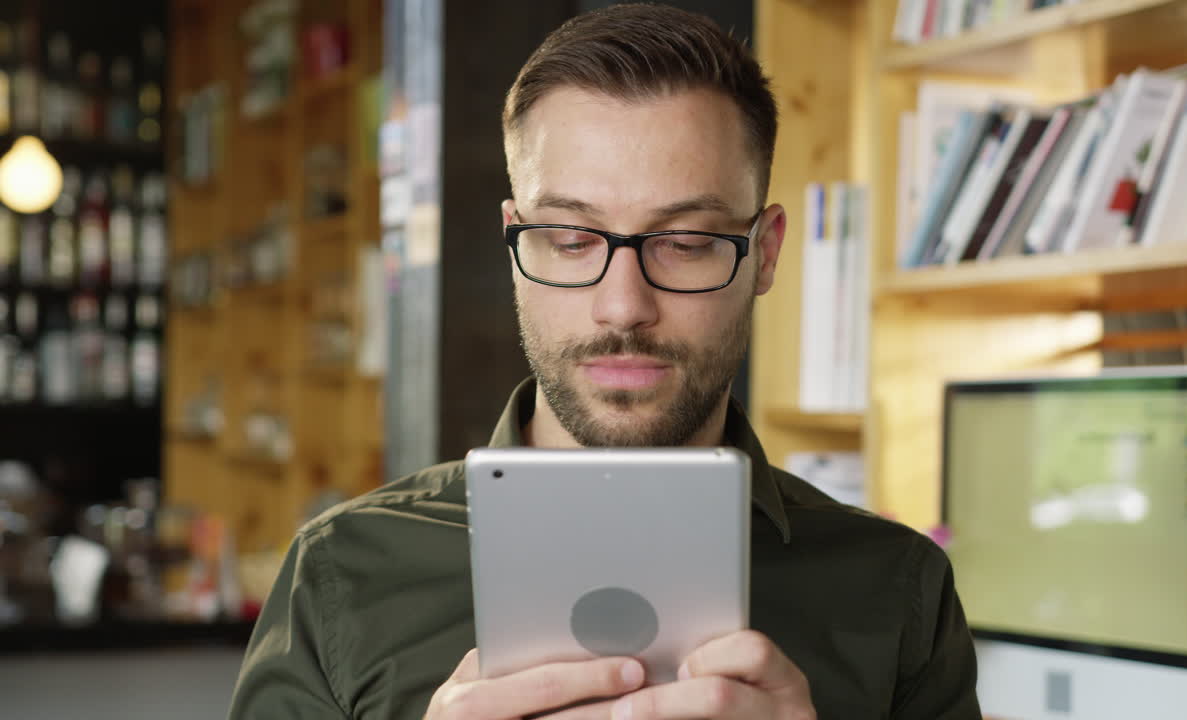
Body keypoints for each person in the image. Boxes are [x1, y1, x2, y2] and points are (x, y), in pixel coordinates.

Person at [228, 4, 980, 719]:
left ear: (767, 252)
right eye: (572, 239)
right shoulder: (341, 572)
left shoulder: (898, 590)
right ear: (516, 243)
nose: (623, 306)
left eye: (686, 242)